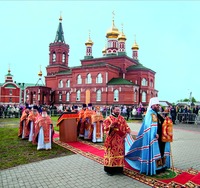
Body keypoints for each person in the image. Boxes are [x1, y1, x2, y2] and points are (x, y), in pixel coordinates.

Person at [125, 97, 171, 175]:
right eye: (156, 105)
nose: (158, 106)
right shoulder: (150, 114)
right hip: (154, 138)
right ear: (152, 105)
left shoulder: (157, 114)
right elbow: (149, 127)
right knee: (157, 152)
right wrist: (154, 134)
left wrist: (168, 122)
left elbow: (163, 123)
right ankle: (156, 168)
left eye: (158, 105)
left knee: (161, 152)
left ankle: (161, 166)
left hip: (160, 137)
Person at [103, 105, 131, 176]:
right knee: (112, 154)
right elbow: (105, 128)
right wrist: (111, 127)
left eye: (119, 110)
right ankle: (110, 170)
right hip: (112, 140)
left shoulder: (122, 118)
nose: (118, 111)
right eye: (117, 110)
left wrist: (128, 130)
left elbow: (126, 126)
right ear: (113, 110)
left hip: (120, 140)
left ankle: (119, 169)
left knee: (120, 153)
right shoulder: (108, 118)